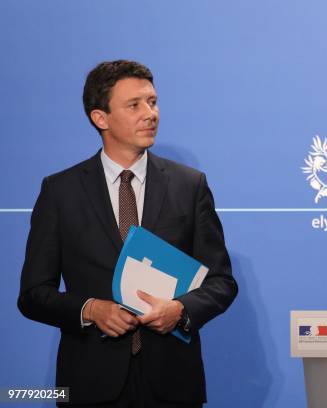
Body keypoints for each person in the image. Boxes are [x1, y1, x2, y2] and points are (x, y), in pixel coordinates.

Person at [18, 60, 238, 407]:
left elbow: (221, 282)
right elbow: (33, 294)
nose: (150, 113)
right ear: (100, 118)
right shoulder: (60, 192)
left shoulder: (189, 185)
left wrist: (180, 310)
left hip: (173, 383)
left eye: (152, 102)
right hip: (89, 384)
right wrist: (90, 310)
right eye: (134, 105)